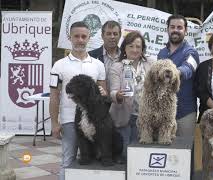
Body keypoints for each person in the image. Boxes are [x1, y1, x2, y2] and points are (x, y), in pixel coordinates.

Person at [49, 21, 106, 180]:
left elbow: (103, 93)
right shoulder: (58, 65)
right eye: (76, 36)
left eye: (83, 36)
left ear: (89, 38)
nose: (80, 40)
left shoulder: (98, 65)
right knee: (68, 159)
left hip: (93, 121)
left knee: (93, 161)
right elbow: (54, 96)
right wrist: (54, 123)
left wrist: (103, 91)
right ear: (70, 38)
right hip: (69, 120)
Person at [109, 31, 154, 160]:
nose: (134, 50)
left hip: (145, 117)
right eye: (131, 46)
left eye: (138, 47)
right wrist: (117, 95)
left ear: (142, 49)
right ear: (124, 48)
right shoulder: (117, 67)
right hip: (124, 117)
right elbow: (113, 91)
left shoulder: (150, 63)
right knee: (125, 155)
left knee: (141, 156)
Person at [157, 14, 200, 137]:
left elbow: (188, 69)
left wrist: (172, 72)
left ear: (185, 31)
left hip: (185, 113)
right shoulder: (161, 53)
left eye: (179, 27)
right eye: (172, 27)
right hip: (163, 112)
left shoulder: (191, 52)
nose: (175, 30)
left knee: (186, 152)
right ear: (168, 29)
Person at [88, 20, 121, 93]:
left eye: (115, 34)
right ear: (102, 36)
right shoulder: (91, 56)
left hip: (120, 102)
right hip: (98, 101)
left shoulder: (126, 57)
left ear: (120, 36)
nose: (112, 37)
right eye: (109, 34)